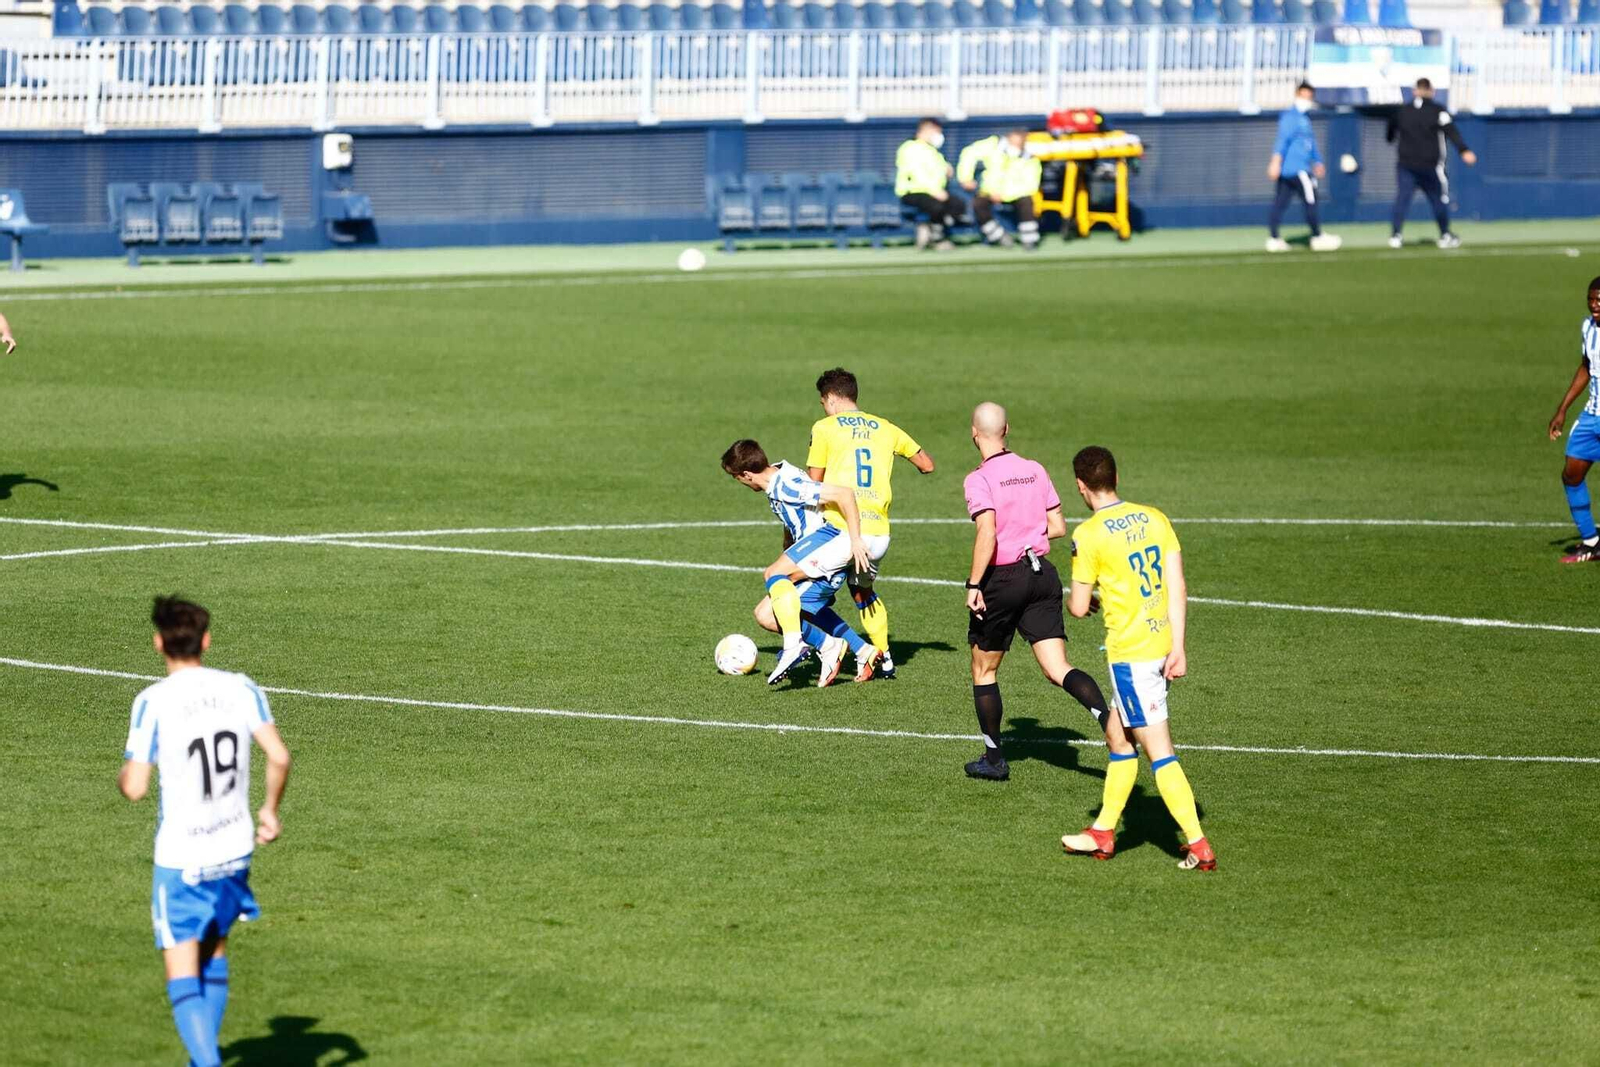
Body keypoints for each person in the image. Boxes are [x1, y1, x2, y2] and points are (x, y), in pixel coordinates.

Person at [118, 597, 292, 1067]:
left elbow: (134, 788)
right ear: (206, 640)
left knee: (181, 973)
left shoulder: (152, 701)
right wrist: (269, 812)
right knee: (214, 954)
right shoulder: (241, 688)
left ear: (158, 643)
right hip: (235, 849)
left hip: (182, 859)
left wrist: (125, 773)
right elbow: (279, 756)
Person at [1060, 447, 1216, 871]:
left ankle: (1198, 844)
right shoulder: (1154, 517)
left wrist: (1084, 597)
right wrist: (1179, 646)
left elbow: (1076, 608)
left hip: (1130, 657)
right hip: (1161, 644)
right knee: (1119, 738)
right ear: (1115, 476)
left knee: (1159, 752)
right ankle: (1103, 832)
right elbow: (1177, 585)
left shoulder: (1089, 535)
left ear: (1080, 485)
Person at [960, 402, 1113, 782]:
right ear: (1007, 429)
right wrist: (1028, 538)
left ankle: (994, 759)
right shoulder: (1034, 469)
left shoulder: (978, 479)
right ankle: (1110, 723)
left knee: (984, 668)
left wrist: (975, 583)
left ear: (974, 433)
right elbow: (1057, 526)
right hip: (1042, 574)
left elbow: (988, 532)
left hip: (1004, 579)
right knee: (1057, 667)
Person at [803, 367, 935, 680]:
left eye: (823, 402)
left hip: (842, 532)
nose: (823, 408)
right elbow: (926, 465)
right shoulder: (885, 427)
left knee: (791, 590)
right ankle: (885, 659)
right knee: (862, 592)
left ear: (832, 399)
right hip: (877, 534)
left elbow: (813, 483)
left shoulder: (826, 427)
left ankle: (823, 645)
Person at [721, 439, 880, 685]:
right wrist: (788, 542)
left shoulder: (786, 486)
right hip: (814, 551)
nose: (739, 483)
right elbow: (794, 513)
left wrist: (856, 540)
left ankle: (821, 646)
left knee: (768, 609)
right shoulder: (779, 474)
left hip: (826, 549)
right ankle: (863, 651)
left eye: (736, 478)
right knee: (805, 608)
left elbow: (842, 494)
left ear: (746, 474)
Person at [1386, 77, 1477, 250]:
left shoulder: (1403, 111)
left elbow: (1390, 131)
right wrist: (1464, 150)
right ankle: (1444, 234)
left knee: (1402, 199)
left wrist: (1391, 136)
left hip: (1406, 165)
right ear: (1431, 91)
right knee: (1438, 200)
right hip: (1430, 167)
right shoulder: (1437, 111)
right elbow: (1451, 131)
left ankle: (1395, 235)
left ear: (1415, 91)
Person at [1547, 275, 1600, 563]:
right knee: (1572, 474)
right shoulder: (1588, 328)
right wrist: (1563, 408)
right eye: (1590, 299)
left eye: (1599, 300)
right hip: (1592, 416)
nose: (1594, 305)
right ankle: (1592, 543)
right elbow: (1586, 368)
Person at [1266, 82, 1341, 254]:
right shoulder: (1291, 117)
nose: (1306, 100)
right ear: (1297, 95)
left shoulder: (1304, 118)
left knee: (1281, 202)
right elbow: (1282, 141)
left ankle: (1274, 238)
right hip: (1296, 169)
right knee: (1310, 201)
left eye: (1309, 97)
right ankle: (1317, 236)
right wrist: (1275, 162)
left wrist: (1317, 161)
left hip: (1297, 168)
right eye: (1303, 96)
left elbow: (1309, 143)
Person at [956, 127, 1043, 251]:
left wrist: (1004, 194)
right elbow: (969, 153)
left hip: (1015, 194)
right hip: (989, 192)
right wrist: (965, 177)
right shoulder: (992, 145)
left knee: (1026, 202)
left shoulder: (1030, 158)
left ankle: (1029, 240)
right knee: (978, 204)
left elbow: (1031, 185)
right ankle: (999, 236)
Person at [895, 117, 962, 252]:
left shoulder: (933, 151)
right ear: (926, 130)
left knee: (958, 205)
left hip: (935, 192)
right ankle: (936, 238)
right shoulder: (910, 148)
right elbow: (916, 173)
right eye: (936, 132)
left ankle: (930, 228)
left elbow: (940, 168)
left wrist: (947, 169)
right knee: (936, 206)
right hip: (913, 192)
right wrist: (934, 191)